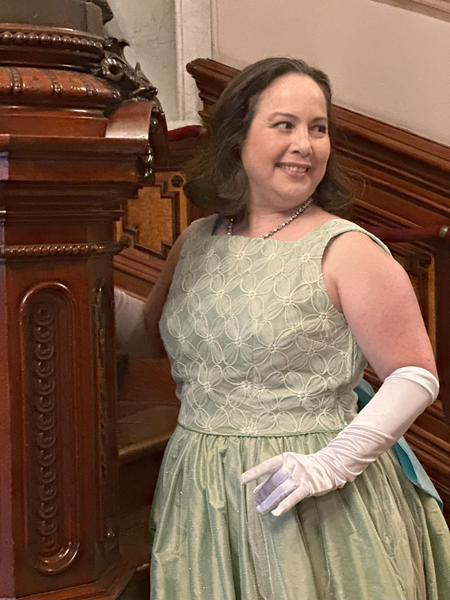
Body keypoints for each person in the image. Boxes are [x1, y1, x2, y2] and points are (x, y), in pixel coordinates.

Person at [115, 57, 450, 600]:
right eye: (285, 125)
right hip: (201, 490)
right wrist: (81, 288)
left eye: (318, 129)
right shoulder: (197, 239)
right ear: (236, 136)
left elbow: (415, 375)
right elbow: (149, 337)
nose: (306, 145)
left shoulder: (348, 249)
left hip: (315, 499)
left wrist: (332, 464)